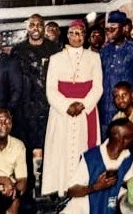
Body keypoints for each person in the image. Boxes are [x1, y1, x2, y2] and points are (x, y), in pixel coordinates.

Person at [43, 19, 104, 197]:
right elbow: (51, 89)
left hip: (86, 112)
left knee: (84, 149)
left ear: (85, 36)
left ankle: (84, 188)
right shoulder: (55, 58)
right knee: (61, 152)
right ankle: (62, 191)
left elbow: (98, 87)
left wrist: (82, 104)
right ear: (67, 35)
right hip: (62, 113)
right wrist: (66, 106)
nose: (76, 36)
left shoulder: (94, 57)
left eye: (80, 33)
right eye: (72, 33)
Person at [10, 13, 60, 203]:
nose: (36, 28)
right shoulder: (18, 50)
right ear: (28, 28)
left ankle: (52, 187)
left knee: (52, 149)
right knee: (26, 151)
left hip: (49, 107)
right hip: (25, 109)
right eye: (32, 25)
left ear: (44, 27)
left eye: (39, 24)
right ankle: (28, 190)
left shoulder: (54, 49)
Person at [63, 118, 133, 214]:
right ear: (121, 141)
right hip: (86, 203)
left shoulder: (128, 156)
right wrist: (94, 187)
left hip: (111, 200)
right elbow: (71, 191)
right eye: (131, 136)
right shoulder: (91, 158)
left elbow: (127, 180)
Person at [99, 12, 133, 135]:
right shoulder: (104, 51)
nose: (109, 32)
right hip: (105, 107)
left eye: (113, 28)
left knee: (124, 139)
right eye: (107, 29)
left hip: (124, 107)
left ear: (124, 28)